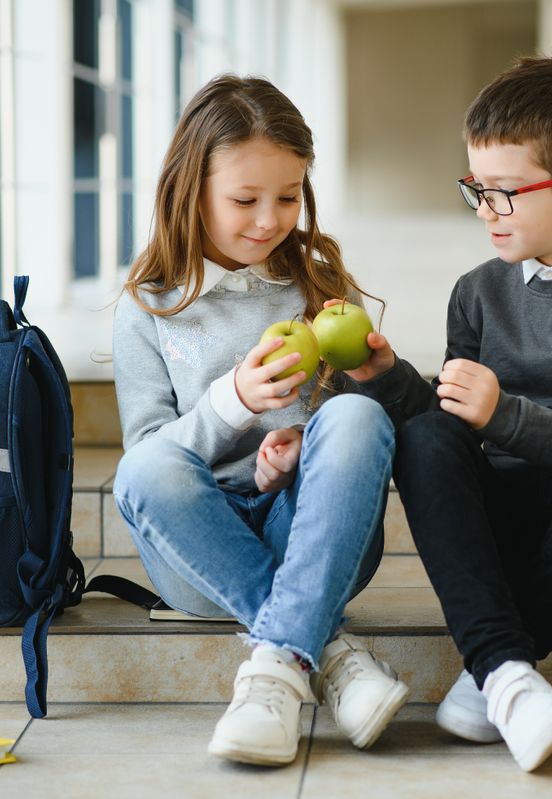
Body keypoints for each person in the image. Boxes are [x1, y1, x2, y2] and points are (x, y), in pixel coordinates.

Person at [344, 53, 552, 771]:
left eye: (505, 192)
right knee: (428, 435)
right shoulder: (477, 291)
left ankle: (490, 665)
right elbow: (453, 421)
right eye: (477, 188)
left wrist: (504, 414)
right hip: (499, 533)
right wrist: (389, 377)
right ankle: (507, 677)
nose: (484, 210)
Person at [111, 75, 408, 767]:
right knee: (144, 466)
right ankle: (326, 650)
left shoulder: (320, 286)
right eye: (244, 199)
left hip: (310, 533)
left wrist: (305, 444)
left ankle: (275, 666)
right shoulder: (148, 307)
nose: (270, 219)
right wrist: (234, 400)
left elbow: (353, 448)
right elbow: (150, 466)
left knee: (360, 418)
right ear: (191, 190)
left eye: (288, 196)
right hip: (199, 550)